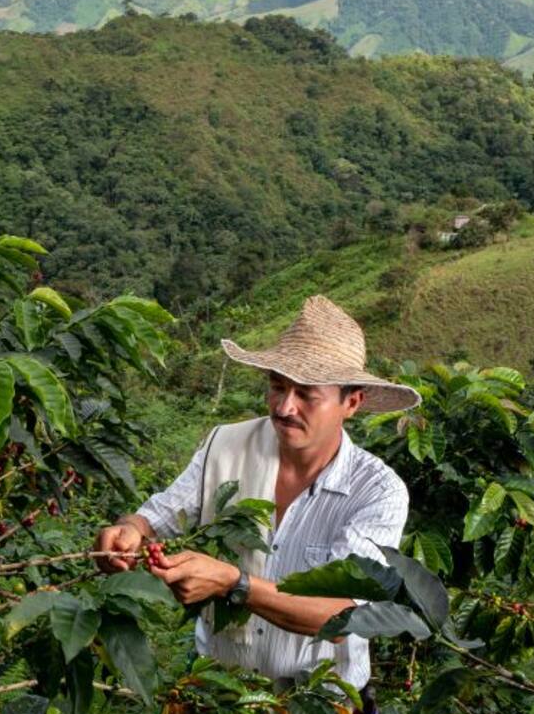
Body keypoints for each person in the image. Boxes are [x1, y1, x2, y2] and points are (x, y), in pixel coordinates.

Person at [94, 295, 420, 689]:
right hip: (219, 691)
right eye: (277, 387)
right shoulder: (225, 446)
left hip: (319, 702)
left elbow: (343, 616)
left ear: (351, 403)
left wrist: (235, 584)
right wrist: (129, 531)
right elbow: (157, 518)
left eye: (306, 395)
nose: (284, 407)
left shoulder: (377, 492)